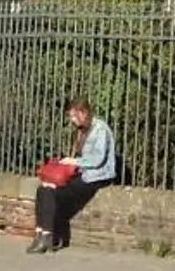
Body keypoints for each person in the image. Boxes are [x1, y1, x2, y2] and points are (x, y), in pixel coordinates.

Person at [27, 97, 117, 254]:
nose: (72, 120)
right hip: (83, 172)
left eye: (74, 116)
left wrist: (74, 161)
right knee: (43, 189)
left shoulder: (100, 129)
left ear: (84, 113)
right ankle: (41, 233)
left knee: (53, 192)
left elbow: (98, 159)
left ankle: (48, 236)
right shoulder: (82, 130)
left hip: (96, 176)